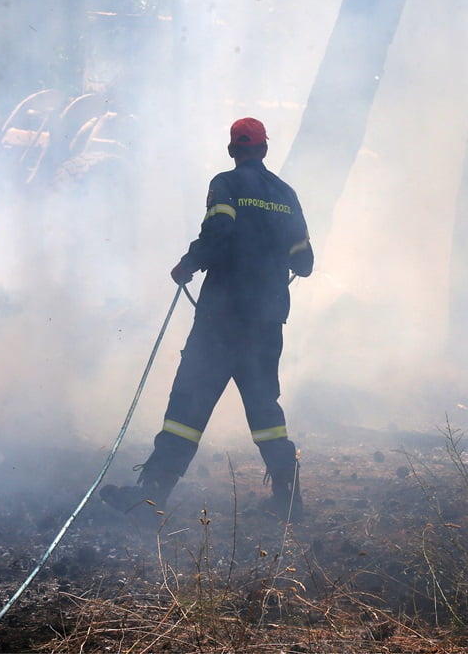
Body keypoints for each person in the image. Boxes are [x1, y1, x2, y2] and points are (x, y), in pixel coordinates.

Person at [101, 117, 314, 521]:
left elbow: (219, 235)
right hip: (266, 321)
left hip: (222, 320)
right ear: (265, 149)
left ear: (233, 150)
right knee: (265, 410)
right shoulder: (286, 195)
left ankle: (151, 499)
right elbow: (304, 262)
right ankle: (289, 501)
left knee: (188, 407)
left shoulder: (226, 184)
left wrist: (188, 264)